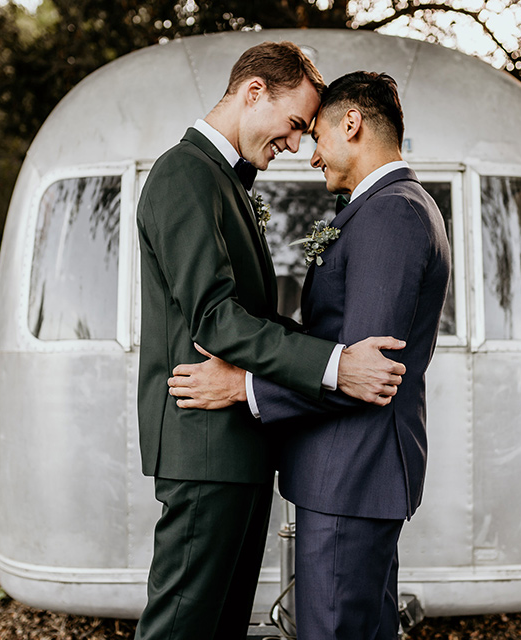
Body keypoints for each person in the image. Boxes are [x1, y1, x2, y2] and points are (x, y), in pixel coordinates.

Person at [134, 43, 409, 640]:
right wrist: (334, 364)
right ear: (254, 90)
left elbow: (257, 316)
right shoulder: (184, 172)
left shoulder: (229, 183)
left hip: (236, 451)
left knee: (222, 628)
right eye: (293, 126)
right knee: (180, 629)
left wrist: (327, 356)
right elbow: (216, 319)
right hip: (205, 449)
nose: (294, 146)